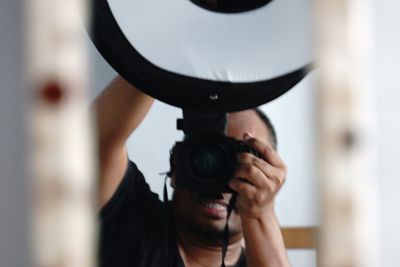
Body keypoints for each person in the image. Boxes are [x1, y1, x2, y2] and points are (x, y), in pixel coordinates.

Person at [94, 75, 290, 267]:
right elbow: (92, 145)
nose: (222, 179)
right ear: (176, 164)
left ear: (270, 181)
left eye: (243, 161)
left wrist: (260, 214)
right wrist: (156, 62)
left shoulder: (261, 257)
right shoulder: (130, 220)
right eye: (207, 156)